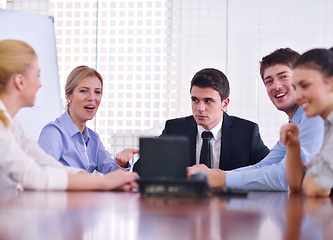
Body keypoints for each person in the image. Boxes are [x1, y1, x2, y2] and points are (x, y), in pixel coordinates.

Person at [0, 39, 138, 192]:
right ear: (20, 81)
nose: (40, 84)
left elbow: (47, 163)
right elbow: (32, 176)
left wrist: (108, 180)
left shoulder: (10, 123)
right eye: (37, 75)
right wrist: (102, 182)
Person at [187, 48, 324, 191]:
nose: (276, 86)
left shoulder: (315, 116)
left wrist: (221, 178)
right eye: (269, 81)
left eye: (284, 76)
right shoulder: (296, 122)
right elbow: (266, 165)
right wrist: (217, 175)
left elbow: (287, 177)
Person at [133, 68, 270, 173]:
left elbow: (270, 170)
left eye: (208, 101)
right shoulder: (175, 128)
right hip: (186, 205)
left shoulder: (246, 132)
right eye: (195, 100)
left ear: (225, 103)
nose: (200, 108)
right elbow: (140, 169)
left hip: (230, 205)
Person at [38, 66, 138, 173]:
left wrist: (121, 162)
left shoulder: (93, 139)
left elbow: (111, 173)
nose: (92, 98)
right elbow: (43, 175)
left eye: (97, 92)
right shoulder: (53, 133)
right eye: (84, 91)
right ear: (68, 96)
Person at [280, 48, 333, 197]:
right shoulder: (328, 127)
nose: (297, 96)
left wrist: (310, 181)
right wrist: (293, 146)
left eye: (305, 86)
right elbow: (296, 184)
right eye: (295, 88)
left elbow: (316, 189)